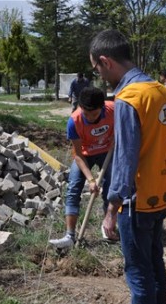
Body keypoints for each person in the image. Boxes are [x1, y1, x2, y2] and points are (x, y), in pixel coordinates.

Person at [90, 29, 166, 304]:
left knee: (137, 266)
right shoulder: (160, 91)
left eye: (97, 69)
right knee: (154, 259)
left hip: (137, 200)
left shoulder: (129, 99)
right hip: (162, 191)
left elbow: (125, 161)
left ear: (105, 61)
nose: (98, 76)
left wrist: (112, 209)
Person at [49, 86, 116, 249]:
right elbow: (78, 155)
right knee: (73, 188)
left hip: (108, 151)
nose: (90, 118)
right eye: (86, 113)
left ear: (102, 107)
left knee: (111, 188)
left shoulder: (113, 110)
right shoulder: (74, 121)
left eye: (94, 114)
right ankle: (70, 236)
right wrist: (91, 180)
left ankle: (107, 227)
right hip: (85, 154)